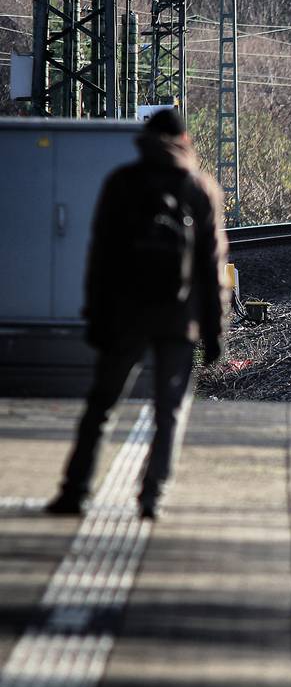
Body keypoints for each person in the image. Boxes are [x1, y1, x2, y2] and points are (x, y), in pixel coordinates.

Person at [47, 108, 229, 519]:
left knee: (102, 406)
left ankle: (74, 492)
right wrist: (215, 333)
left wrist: (95, 315)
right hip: (180, 319)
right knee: (170, 410)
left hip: (125, 314)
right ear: (185, 141)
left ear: (147, 138)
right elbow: (211, 267)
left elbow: (101, 258)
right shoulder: (200, 188)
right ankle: (151, 498)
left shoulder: (121, 182)